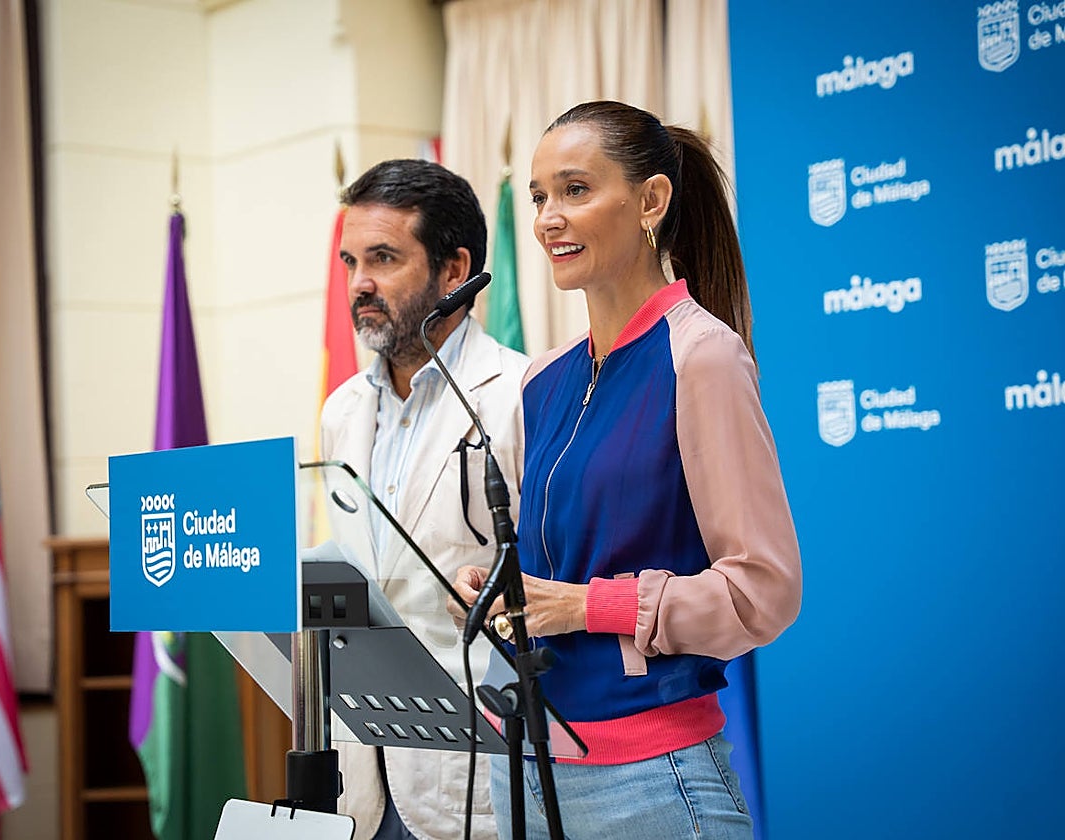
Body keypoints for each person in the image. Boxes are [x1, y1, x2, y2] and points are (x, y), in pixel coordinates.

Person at [450, 101, 803, 839]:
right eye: (540, 195)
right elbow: (558, 574)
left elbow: (763, 592)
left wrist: (584, 607)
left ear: (651, 201)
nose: (547, 217)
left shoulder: (701, 357)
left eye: (575, 190)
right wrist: (504, 597)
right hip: (524, 765)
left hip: (647, 782)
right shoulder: (541, 382)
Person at [321, 158, 530, 840]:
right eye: (352, 260)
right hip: (361, 780)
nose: (360, 284)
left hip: (472, 779)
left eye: (383, 258)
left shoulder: (521, 394)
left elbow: (548, 587)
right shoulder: (341, 413)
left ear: (453, 268)